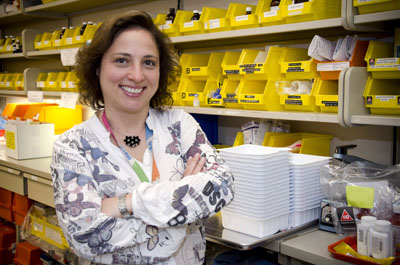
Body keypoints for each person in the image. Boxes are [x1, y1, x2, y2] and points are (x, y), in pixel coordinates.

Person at [50, 10, 234, 265]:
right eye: (122, 61)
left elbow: (222, 185)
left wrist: (129, 203)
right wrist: (182, 207)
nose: (137, 75)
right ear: (97, 68)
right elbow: (85, 234)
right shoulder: (73, 146)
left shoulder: (179, 125)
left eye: (149, 62)